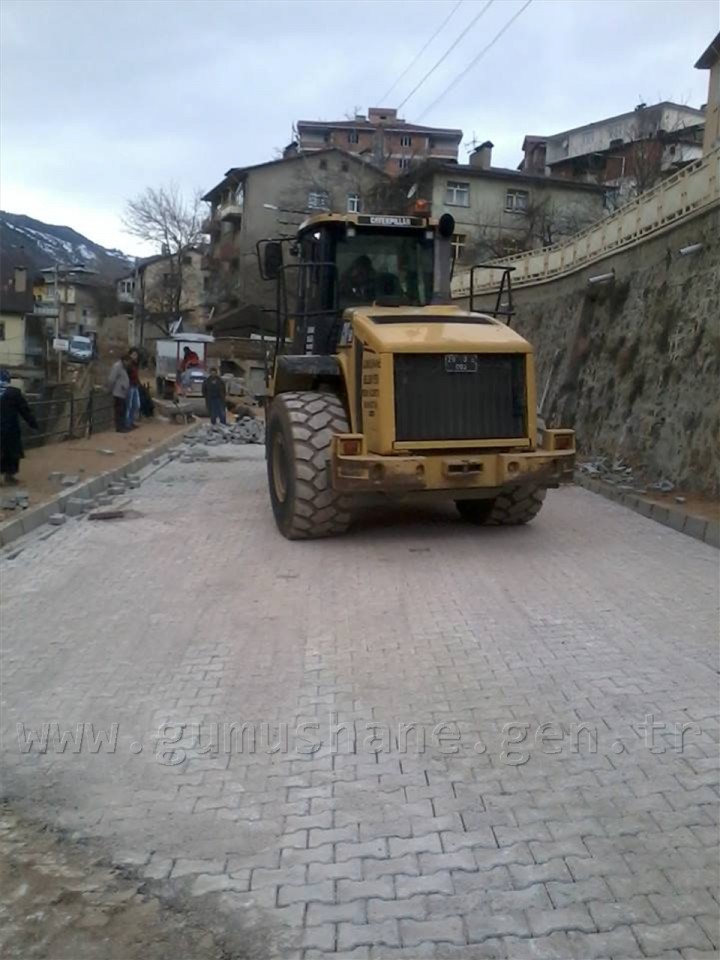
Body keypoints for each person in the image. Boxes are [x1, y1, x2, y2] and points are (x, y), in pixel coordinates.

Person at [0, 369, 38, 485]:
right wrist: (33, 424)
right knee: (12, 452)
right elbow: (24, 410)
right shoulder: (14, 393)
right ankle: (9, 476)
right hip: (10, 429)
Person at [108, 354, 130, 432]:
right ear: (124, 360)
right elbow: (112, 379)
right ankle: (119, 427)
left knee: (123, 410)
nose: (128, 363)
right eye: (127, 361)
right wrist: (110, 389)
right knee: (119, 411)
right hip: (118, 392)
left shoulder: (124, 368)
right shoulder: (117, 367)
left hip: (123, 393)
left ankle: (122, 426)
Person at [125, 348, 141, 430]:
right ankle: (127, 423)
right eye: (134, 355)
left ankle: (131, 421)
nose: (135, 356)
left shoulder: (135, 364)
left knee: (136, 405)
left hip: (135, 385)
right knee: (129, 405)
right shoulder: (128, 364)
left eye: (136, 355)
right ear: (130, 355)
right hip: (130, 386)